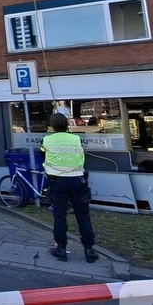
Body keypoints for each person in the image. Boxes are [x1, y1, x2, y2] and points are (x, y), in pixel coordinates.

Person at [41, 112, 98, 263]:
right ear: (67, 124)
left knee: (60, 215)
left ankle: (61, 248)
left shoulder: (47, 139)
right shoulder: (76, 138)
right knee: (83, 215)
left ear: (52, 126)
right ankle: (89, 249)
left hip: (57, 181)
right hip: (77, 179)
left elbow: (42, 153)